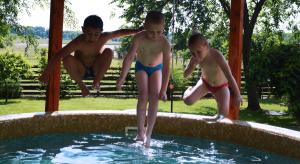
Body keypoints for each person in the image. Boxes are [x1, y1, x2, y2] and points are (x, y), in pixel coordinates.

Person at [39, 15, 142, 96]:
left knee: (109, 51)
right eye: (88, 33)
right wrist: (46, 73)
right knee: (67, 58)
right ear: (83, 30)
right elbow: (58, 56)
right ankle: (83, 87)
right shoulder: (78, 42)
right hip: (81, 70)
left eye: (96, 34)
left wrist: (137, 31)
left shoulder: (104, 37)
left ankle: (96, 81)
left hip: (96, 69)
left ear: (101, 32)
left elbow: (119, 33)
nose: (92, 38)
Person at [116, 11, 171, 147]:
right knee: (143, 95)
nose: (155, 35)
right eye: (151, 31)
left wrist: (163, 90)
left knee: (154, 97)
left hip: (157, 69)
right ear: (145, 25)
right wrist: (122, 77)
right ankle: (140, 132)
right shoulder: (139, 38)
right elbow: (129, 58)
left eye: (159, 32)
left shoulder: (164, 43)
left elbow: (166, 68)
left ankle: (149, 134)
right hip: (141, 67)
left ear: (163, 27)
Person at [183, 32, 242, 120]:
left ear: (206, 45)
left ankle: (217, 115)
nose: (196, 56)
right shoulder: (194, 59)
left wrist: (238, 95)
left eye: (199, 52)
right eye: (193, 53)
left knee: (223, 114)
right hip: (205, 83)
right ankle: (189, 90)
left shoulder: (216, 56)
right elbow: (185, 75)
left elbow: (229, 75)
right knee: (188, 100)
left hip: (221, 87)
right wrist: (192, 66)